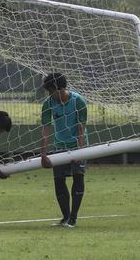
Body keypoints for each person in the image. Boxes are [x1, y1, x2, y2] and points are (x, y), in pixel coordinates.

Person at [39, 72, 88, 228]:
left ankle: (73, 218)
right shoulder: (48, 104)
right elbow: (46, 129)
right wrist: (43, 153)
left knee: (78, 177)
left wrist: (79, 153)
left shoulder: (78, 101)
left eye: (50, 91)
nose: (49, 94)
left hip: (77, 144)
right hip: (59, 146)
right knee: (59, 181)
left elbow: (81, 129)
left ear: (56, 88)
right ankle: (65, 217)